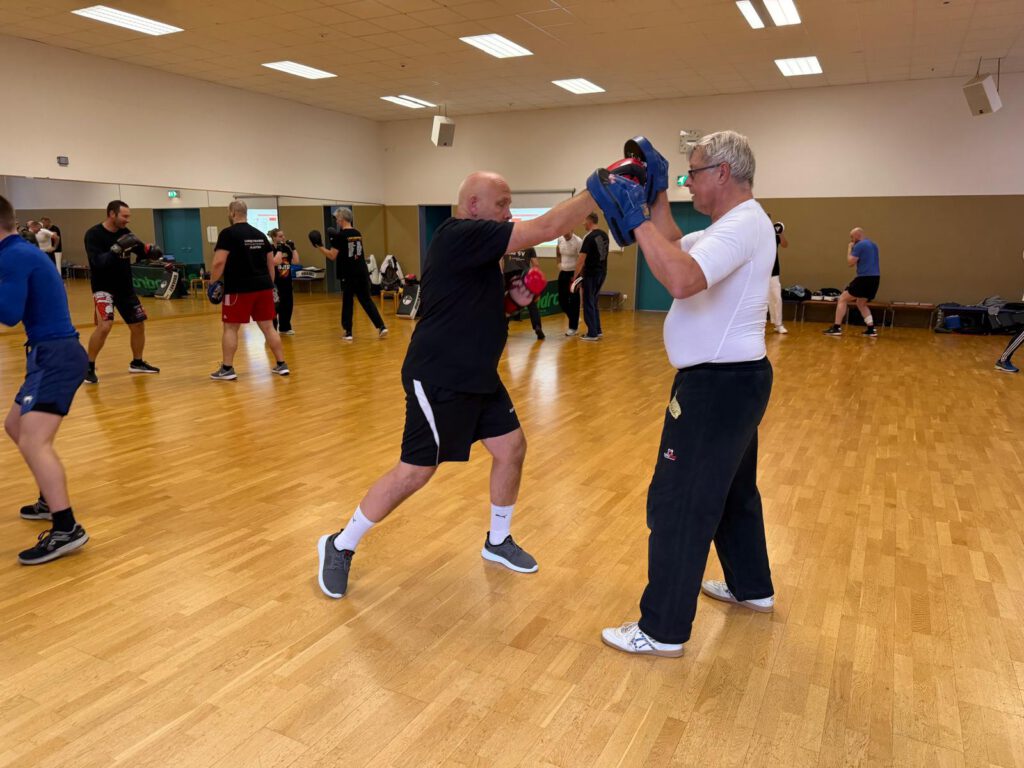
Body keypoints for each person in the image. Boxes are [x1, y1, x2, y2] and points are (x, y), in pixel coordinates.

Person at [316, 171, 596, 600]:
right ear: (473, 205)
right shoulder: (459, 234)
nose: (508, 213)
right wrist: (601, 187)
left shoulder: (481, 247)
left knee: (511, 448)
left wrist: (513, 301)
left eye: (510, 204)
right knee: (415, 472)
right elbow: (547, 227)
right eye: (501, 204)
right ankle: (340, 544)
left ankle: (498, 540)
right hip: (439, 375)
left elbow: (480, 309)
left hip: (478, 374)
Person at [587, 131, 776, 657]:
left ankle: (662, 629)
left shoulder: (741, 225)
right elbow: (672, 245)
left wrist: (636, 217)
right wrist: (656, 196)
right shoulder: (731, 225)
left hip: (716, 388)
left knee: (678, 503)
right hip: (734, 382)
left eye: (692, 173)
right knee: (734, 492)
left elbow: (681, 279)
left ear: (722, 172)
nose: (688, 182)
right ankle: (751, 586)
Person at [0, 194, 90, 565]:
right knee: (14, 425)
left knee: (34, 441)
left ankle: (66, 528)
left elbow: (8, 313)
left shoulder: (14, 256)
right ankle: (46, 499)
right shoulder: (16, 253)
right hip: (46, 354)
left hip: (56, 357)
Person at [208, 201, 290, 380]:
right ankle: (281, 364)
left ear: (232, 213)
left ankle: (227, 368)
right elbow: (270, 264)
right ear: (246, 213)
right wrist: (270, 286)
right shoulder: (260, 235)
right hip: (263, 287)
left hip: (238, 289)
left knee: (230, 328)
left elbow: (218, 262)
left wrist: (212, 282)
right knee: (269, 327)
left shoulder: (228, 234)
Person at [83, 200, 161, 384]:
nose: (127, 220)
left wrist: (151, 252)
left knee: (138, 325)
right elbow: (97, 263)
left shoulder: (126, 233)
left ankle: (137, 362)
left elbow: (141, 250)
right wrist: (116, 250)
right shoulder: (94, 234)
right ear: (112, 214)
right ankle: (88, 367)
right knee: (104, 326)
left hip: (125, 288)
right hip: (103, 288)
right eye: (124, 216)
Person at [315, 208, 387, 341]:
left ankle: (348, 332)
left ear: (342, 219)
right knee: (366, 300)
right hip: (362, 272)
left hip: (348, 274)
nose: (337, 221)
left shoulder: (340, 236)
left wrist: (319, 246)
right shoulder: (357, 233)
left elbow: (332, 256)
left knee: (348, 302)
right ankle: (381, 326)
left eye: (337, 219)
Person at [823, 227, 881, 337]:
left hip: (864, 278)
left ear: (857, 235)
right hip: (875, 278)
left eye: (852, 237)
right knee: (861, 303)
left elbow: (850, 262)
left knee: (842, 299)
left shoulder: (860, 245)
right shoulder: (873, 245)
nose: (851, 240)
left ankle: (836, 327)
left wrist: (849, 248)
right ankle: (871, 328)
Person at [574, 212, 610, 341]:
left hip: (591, 274)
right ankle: (597, 330)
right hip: (602, 272)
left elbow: (581, 259)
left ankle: (592, 333)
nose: (583, 223)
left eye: (584, 221)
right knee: (594, 301)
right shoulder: (604, 235)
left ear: (589, 221)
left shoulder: (589, 238)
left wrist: (575, 277)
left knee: (588, 302)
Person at [504, 246, 545, 340]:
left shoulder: (508, 243)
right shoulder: (530, 246)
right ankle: (537, 327)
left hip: (509, 274)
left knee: (507, 303)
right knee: (531, 304)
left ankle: (504, 329)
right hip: (524, 275)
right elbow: (536, 264)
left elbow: (500, 261)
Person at [556, 230, 583, 335]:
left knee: (574, 300)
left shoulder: (578, 241)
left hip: (574, 273)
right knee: (562, 300)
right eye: (563, 233)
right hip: (563, 273)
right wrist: (559, 264)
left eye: (567, 233)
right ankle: (574, 318)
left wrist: (579, 276)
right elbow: (558, 253)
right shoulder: (560, 239)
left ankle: (573, 327)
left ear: (572, 230)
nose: (565, 235)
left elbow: (582, 260)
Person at [269, 228, 296, 335]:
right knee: (274, 307)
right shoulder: (270, 249)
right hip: (275, 283)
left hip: (287, 282)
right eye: (280, 236)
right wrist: (279, 249)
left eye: (283, 236)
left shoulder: (286, 248)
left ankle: (285, 327)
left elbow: (296, 261)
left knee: (287, 305)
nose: (283, 238)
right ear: (274, 238)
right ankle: (272, 330)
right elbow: (275, 262)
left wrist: (293, 248)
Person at [766, 213, 788, 334]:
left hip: (774, 272)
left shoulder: (774, 235)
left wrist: (780, 233)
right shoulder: (756, 235)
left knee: (776, 298)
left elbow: (785, 244)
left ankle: (778, 324)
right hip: (759, 273)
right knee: (761, 300)